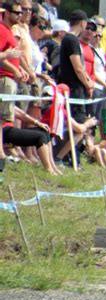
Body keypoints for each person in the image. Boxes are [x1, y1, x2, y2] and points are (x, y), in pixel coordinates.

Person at [0, 1, 29, 172]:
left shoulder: (11, 31)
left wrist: (23, 71)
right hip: (4, 78)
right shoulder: (2, 30)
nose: (20, 15)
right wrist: (14, 69)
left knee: (5, 118)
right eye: (17, 12)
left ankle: (3, 150)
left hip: (12, 78)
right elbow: (3, 57)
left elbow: (15, 57)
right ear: (7, 13)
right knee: (2, 117)